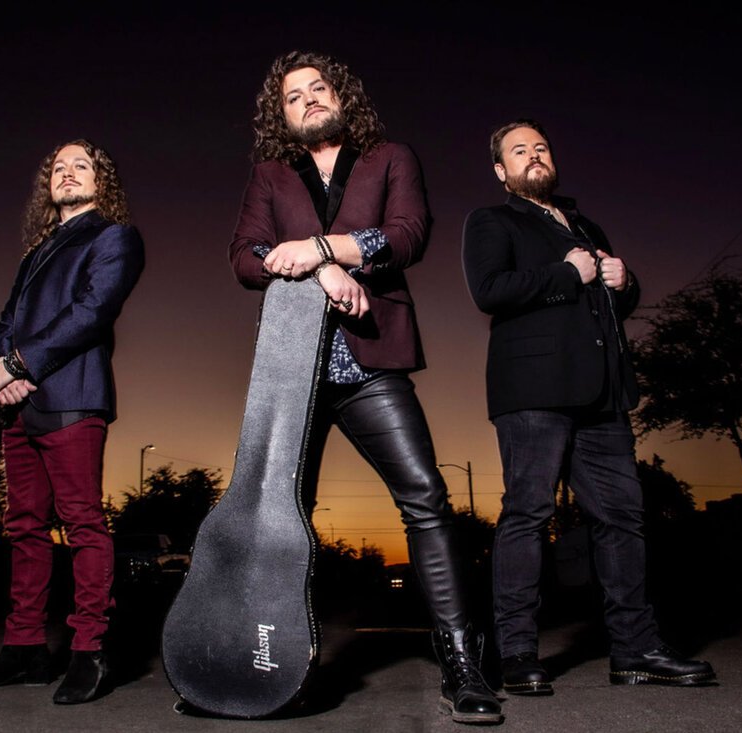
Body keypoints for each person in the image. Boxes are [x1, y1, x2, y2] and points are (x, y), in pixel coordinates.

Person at [228, 51, 502, 725]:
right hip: (293, 365)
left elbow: (408, 237)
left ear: (340, 96)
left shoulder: (390, 156)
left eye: (319, 89)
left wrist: (322, 247)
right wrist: (319, 268)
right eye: (294, 97)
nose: (310, 101)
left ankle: (464, 666)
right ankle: (277, 670)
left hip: (369, 360)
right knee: (279, 522)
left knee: (427, 501)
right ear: (281, 114)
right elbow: (245, 255)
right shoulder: (269, 173)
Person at [461, 119, 716, 695]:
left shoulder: (584, 223)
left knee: (622, 516)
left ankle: (635, 650)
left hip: (601, 395)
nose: (534, 156)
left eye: (542, 148)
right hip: (532, 393)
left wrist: (624, 283)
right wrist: (565, 274)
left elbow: (605, 307)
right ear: (502, 171)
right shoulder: (493, 220)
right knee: (528, 514)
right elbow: (489, 290)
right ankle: (519, 655)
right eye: (519, 151)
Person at [0, 139, 145, 705]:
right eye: (58, 168)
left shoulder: (115, 236)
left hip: (73, 397)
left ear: (100, 180)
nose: (67, 174)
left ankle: (90, 650)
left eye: (80, 165)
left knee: (83, 524)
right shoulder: (35, 251)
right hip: (20, 402)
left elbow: (92, 311)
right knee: (23, 527)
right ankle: (24, 650)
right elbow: (7, 317)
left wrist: (21, 363)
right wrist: (1, 371)